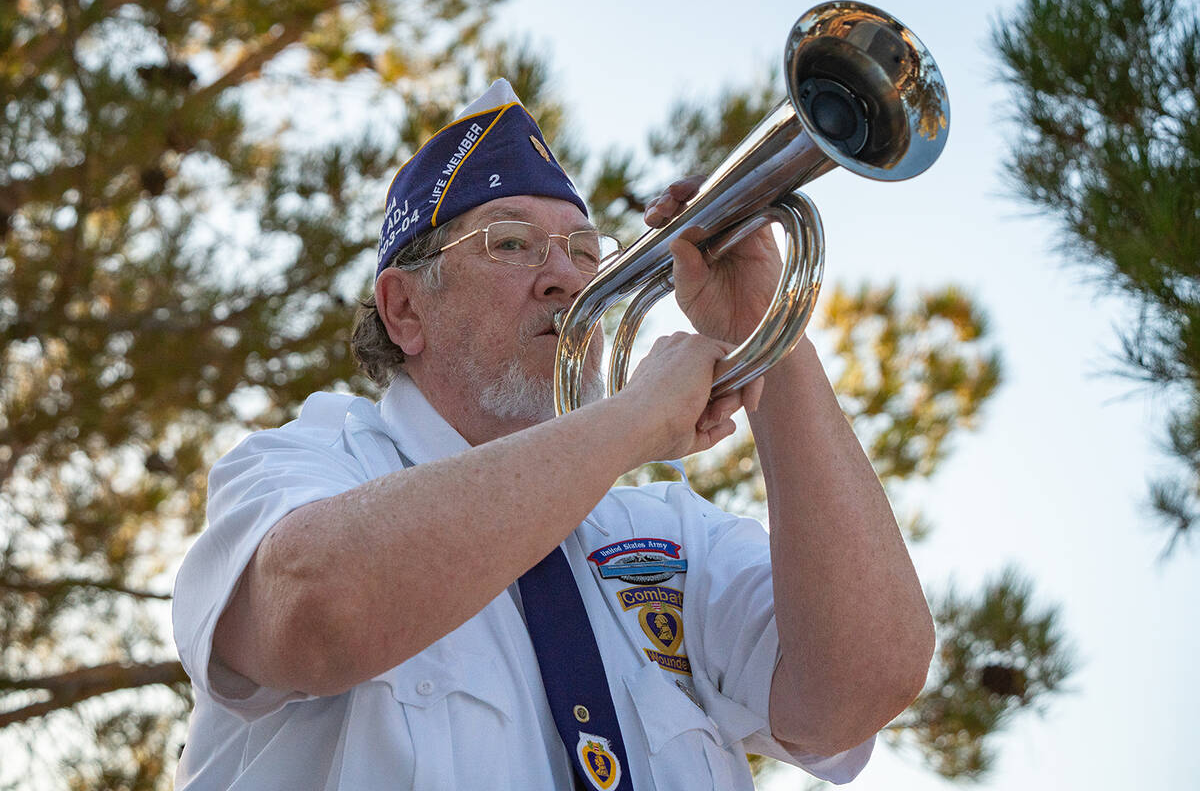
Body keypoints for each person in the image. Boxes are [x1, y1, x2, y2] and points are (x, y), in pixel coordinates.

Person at [172, 78, 935, 790]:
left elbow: (861, 686)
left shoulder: (668, 533)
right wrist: (630, 421)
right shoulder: (306, 466)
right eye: (510, 243)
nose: (567, 280)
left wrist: (773, 333)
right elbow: (319, 612)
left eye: (584, 252)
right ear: (404, 310)